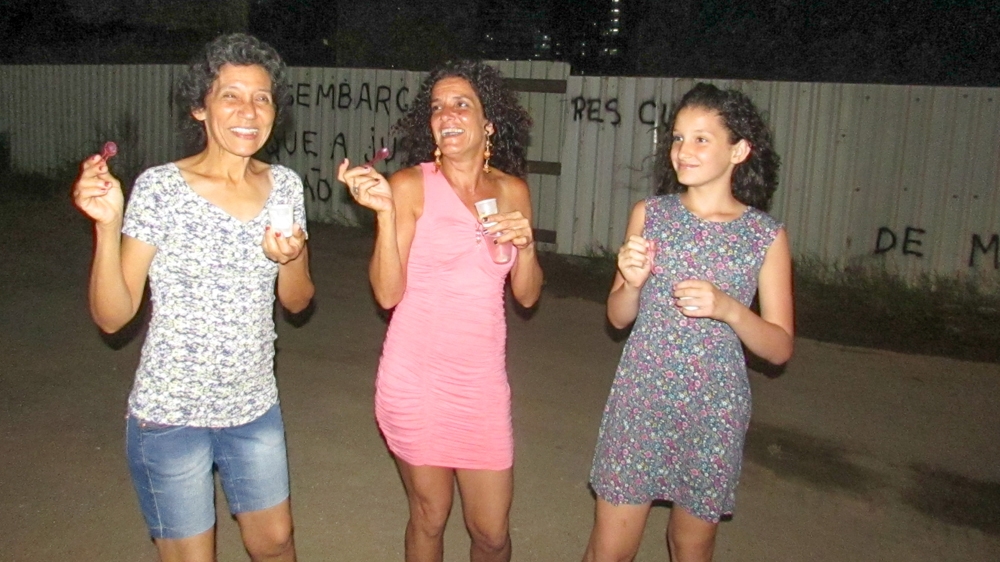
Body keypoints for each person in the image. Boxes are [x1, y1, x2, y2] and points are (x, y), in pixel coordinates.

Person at [71, 33, 312, 562]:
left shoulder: (286, 187)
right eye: (231, 95)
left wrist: (289, 257)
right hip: (170, 414)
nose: (249, 111)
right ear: (200, 108)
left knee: (276, 543)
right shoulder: (160, 189)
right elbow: (113, 317)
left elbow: (297, 302)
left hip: (253, 405)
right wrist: (107, 227)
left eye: (262, 97)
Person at [337, 60, 543, 562]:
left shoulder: (512, 190)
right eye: (437, 107)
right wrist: (386, 217)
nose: (446, 115)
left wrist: (528, 246)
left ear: (488, 122)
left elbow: (527, 296)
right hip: (417, 380)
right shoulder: (410, 185)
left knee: (491, 534)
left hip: (482, 385)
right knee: (430, 515)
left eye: (461, 104)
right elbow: (387, 294)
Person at [582, 83, 794, 562]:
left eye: (701, 139)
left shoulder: (764, 236)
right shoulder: (650, 215)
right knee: (610, 549)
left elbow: (780, 348)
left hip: (714, 408)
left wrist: (729, 308)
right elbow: (617, 317)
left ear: (739, 150)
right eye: (678, 138)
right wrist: (631, 283)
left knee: (690, 547)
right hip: (642, 397)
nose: (683, 150)